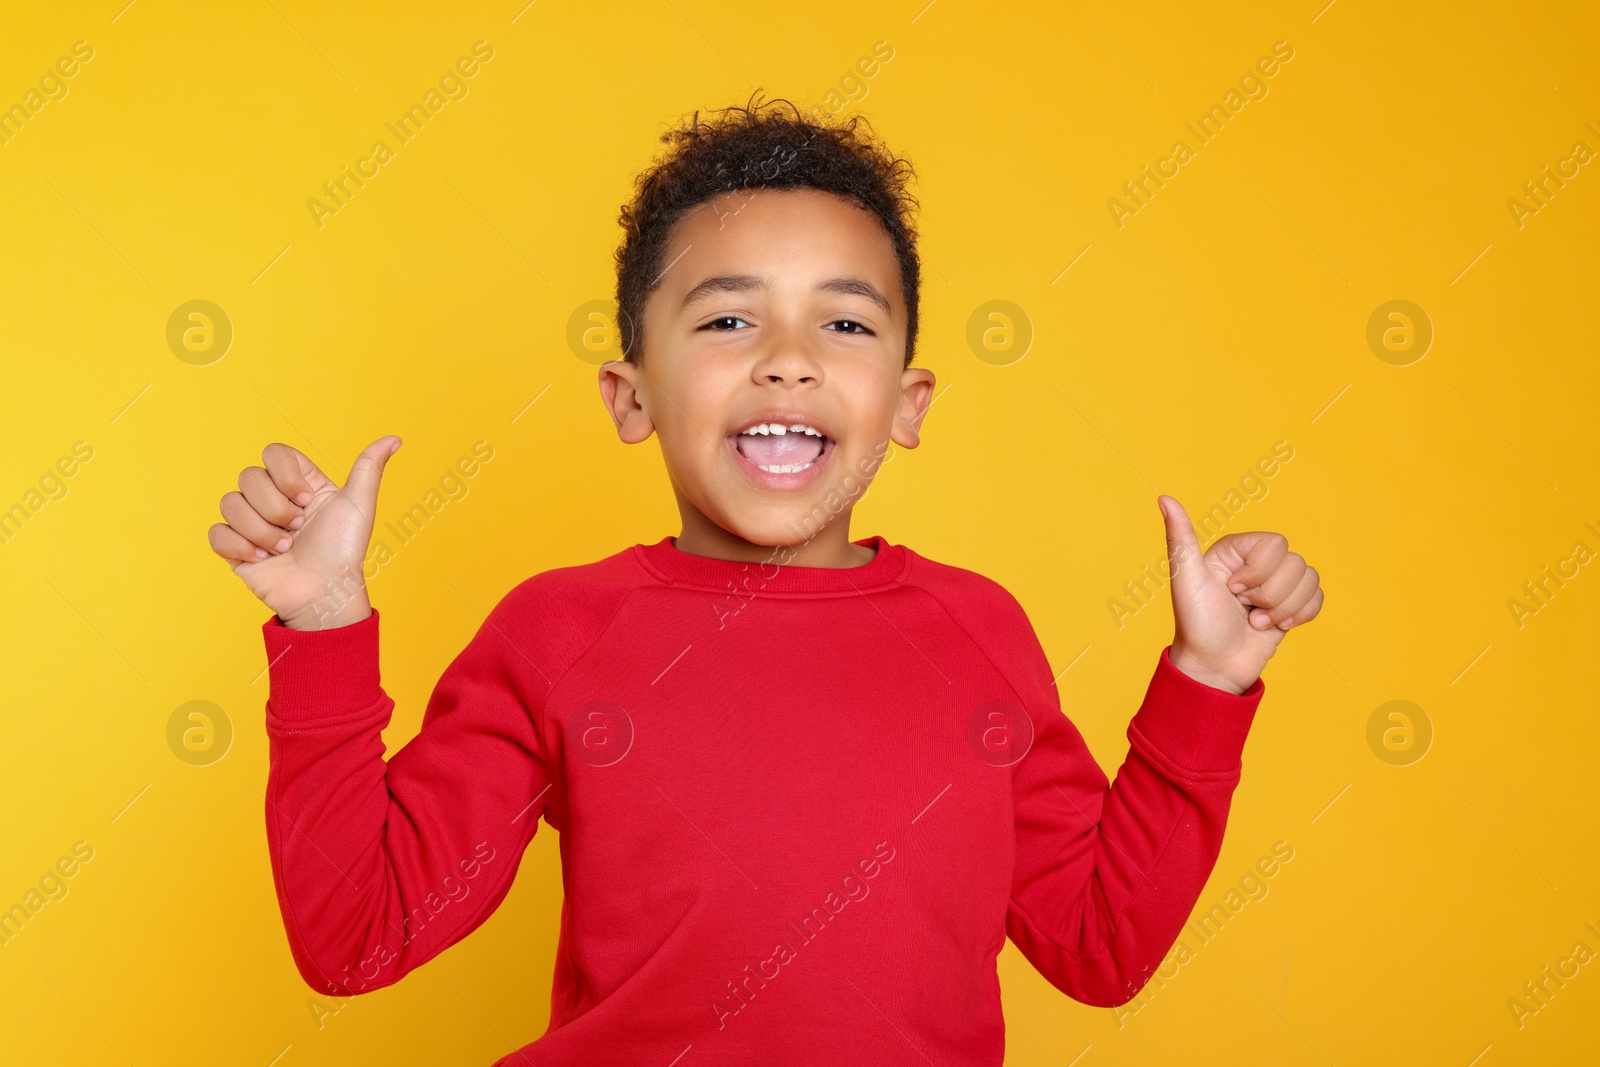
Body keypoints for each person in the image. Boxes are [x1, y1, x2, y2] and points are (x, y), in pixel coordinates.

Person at [207, 94, 1324, 1065]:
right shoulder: (557, 631)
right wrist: (324, 625)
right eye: (729, 318)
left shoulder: (975, 629)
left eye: (843, 322)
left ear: (906, 401)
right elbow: (356, 935)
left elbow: (1099, 946)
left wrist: (1206, 684)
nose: (787, 357)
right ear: (630, 393)